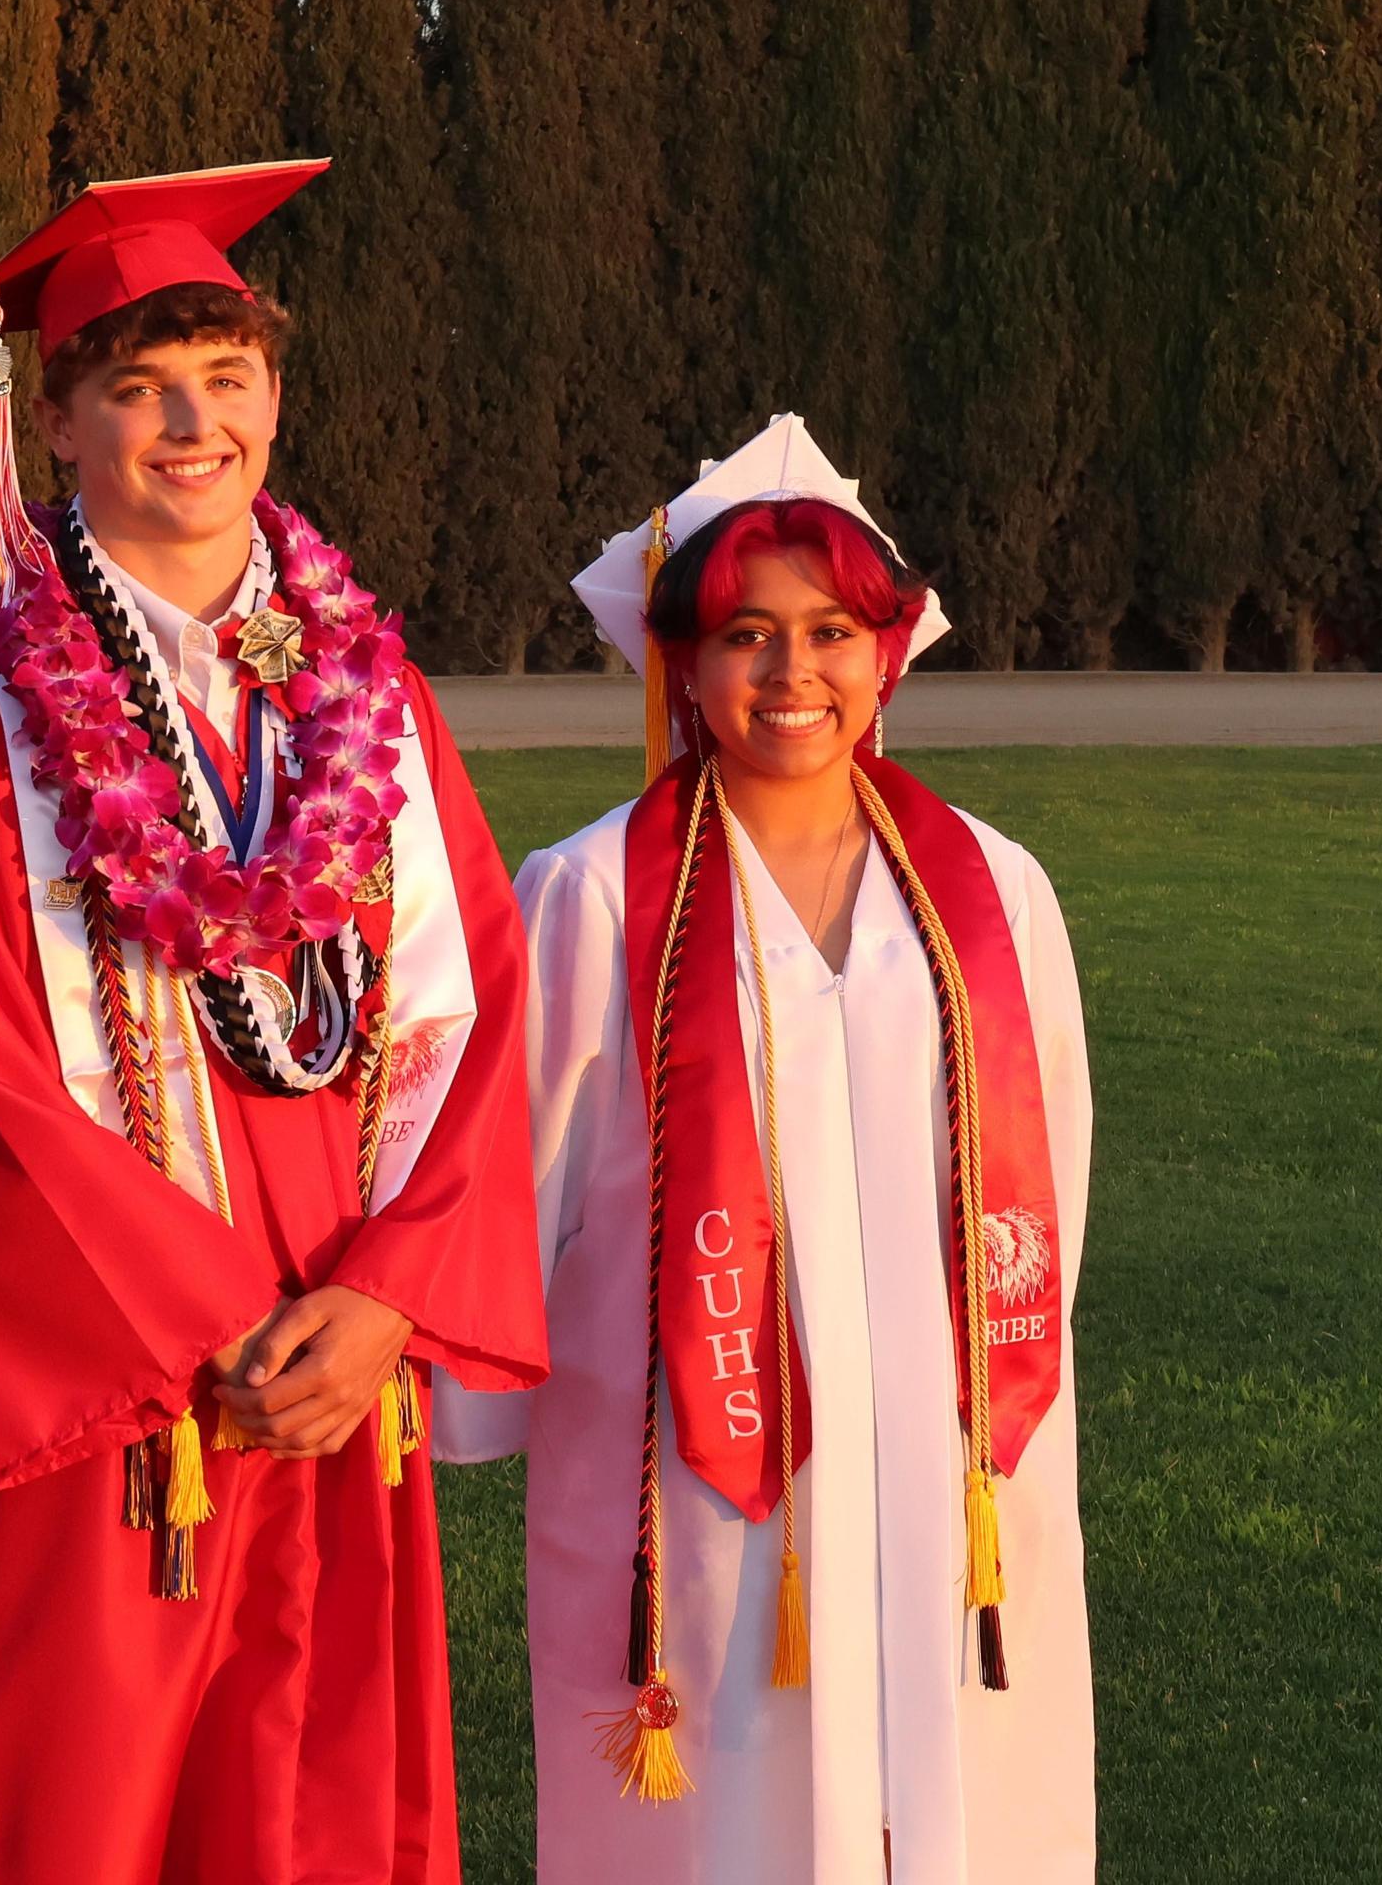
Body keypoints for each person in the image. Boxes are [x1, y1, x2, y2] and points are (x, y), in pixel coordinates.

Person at [0, 158, 547, 1885]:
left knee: (322, 1783)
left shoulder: (370, 707)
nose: (192, 422)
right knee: (91, 1794)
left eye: (226, 380)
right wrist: (217, 1327)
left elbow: (480, 1007)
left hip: (340, 1352)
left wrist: (389, 1298)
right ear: (57, 427)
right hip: (115, 1387)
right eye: (140, 386)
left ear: (276, 403)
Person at [437, 415, 1096, 1882]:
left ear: (887, 652)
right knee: (722, 1820)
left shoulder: (996, 891)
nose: (794, 673)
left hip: (948, 1449)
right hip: (690, 1458)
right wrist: (473, 1408)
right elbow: (508, 1187)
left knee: (968, 1799)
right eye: (746, 633)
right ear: (682, 662)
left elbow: (1051, 1167)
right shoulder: (592, 895)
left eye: (830, 631)